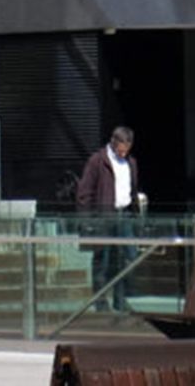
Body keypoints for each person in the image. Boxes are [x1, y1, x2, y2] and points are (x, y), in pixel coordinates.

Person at [75, 126, 142, 310]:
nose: (123, 153)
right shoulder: (98, 161)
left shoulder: (131, 162)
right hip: (104, 216)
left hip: (124, 214)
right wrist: (87, 220)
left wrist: (136, 211)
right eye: (121, 149)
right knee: (102, 260)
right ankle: (100, 301)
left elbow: (132, 189)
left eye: (126, 149)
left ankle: (120, 299)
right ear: (114, 143)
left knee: (127, 257)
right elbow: (85, 192)